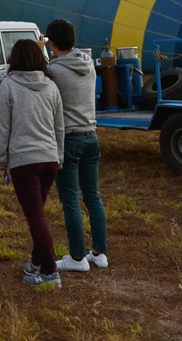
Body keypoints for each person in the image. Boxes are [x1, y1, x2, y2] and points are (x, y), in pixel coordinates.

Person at [0, 39, 65, 289]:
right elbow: (60, 126)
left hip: (24, 161)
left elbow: (4, 127)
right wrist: (59, 156)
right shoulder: (51, 86)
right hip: (50, 160)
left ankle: (49, 272)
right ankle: (37, 262)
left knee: (35, 216)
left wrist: (2, 160)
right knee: (39, 215)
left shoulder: (9, 85)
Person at [42, 19, 109, 273]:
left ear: (53, 43)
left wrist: (40, 48)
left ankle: (78, 258)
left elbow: (41, 71)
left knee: (70, 199)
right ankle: (99, 253)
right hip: (91, 135)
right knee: (93, 196)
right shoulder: (88, 64)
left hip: (69, 139)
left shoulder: (55, 71)